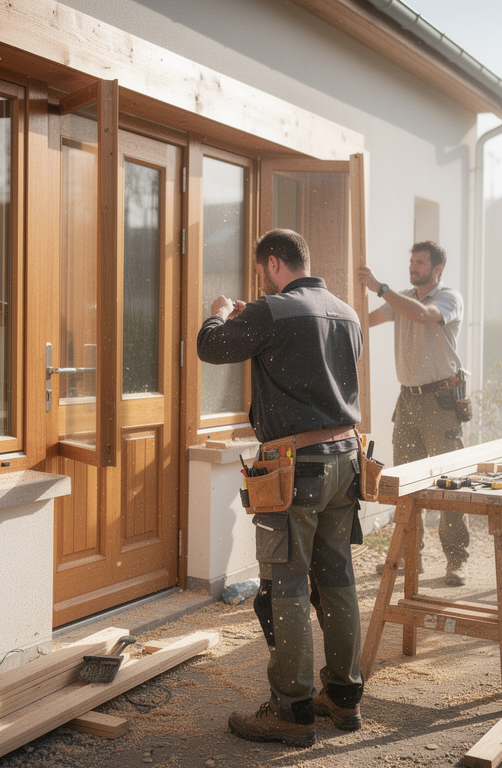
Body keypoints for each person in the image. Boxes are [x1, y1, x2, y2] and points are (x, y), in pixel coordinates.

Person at [198, 228, 366, 748]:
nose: (261, 282)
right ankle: (343, 699)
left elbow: (211, 346)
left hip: (297, 466)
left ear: (272, 263)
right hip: (346, 457)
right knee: (336, 578)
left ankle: (291, 710)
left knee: (286, 584)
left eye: (261, 271)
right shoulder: (346, 312)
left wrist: (221, 311)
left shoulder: (270, 311)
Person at [358, 240, 470, 586]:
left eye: (420, 262)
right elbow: (366, 320)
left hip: (440, 401)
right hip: (407, 400)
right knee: (406, 481)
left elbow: (422, 315)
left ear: (438, 269)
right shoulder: (402, 298)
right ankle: (410, 558)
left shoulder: (449, 298)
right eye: (411, 261)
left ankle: (456, 561)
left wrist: (380, 287)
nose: (413, 266)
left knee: (449, 482)